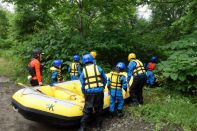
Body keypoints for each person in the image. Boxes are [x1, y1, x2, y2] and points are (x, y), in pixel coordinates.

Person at [79, 54, 107, 131]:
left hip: (89, 93)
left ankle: (83, 127)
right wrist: (103, 86)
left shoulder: (84, 70)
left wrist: (84, 91)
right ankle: (98, 126)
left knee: (87, 110)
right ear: (92, 60)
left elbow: (82, 82)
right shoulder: (98, 67)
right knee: (99, 109)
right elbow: (104, 78)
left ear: (84, 61)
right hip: (99, 92)